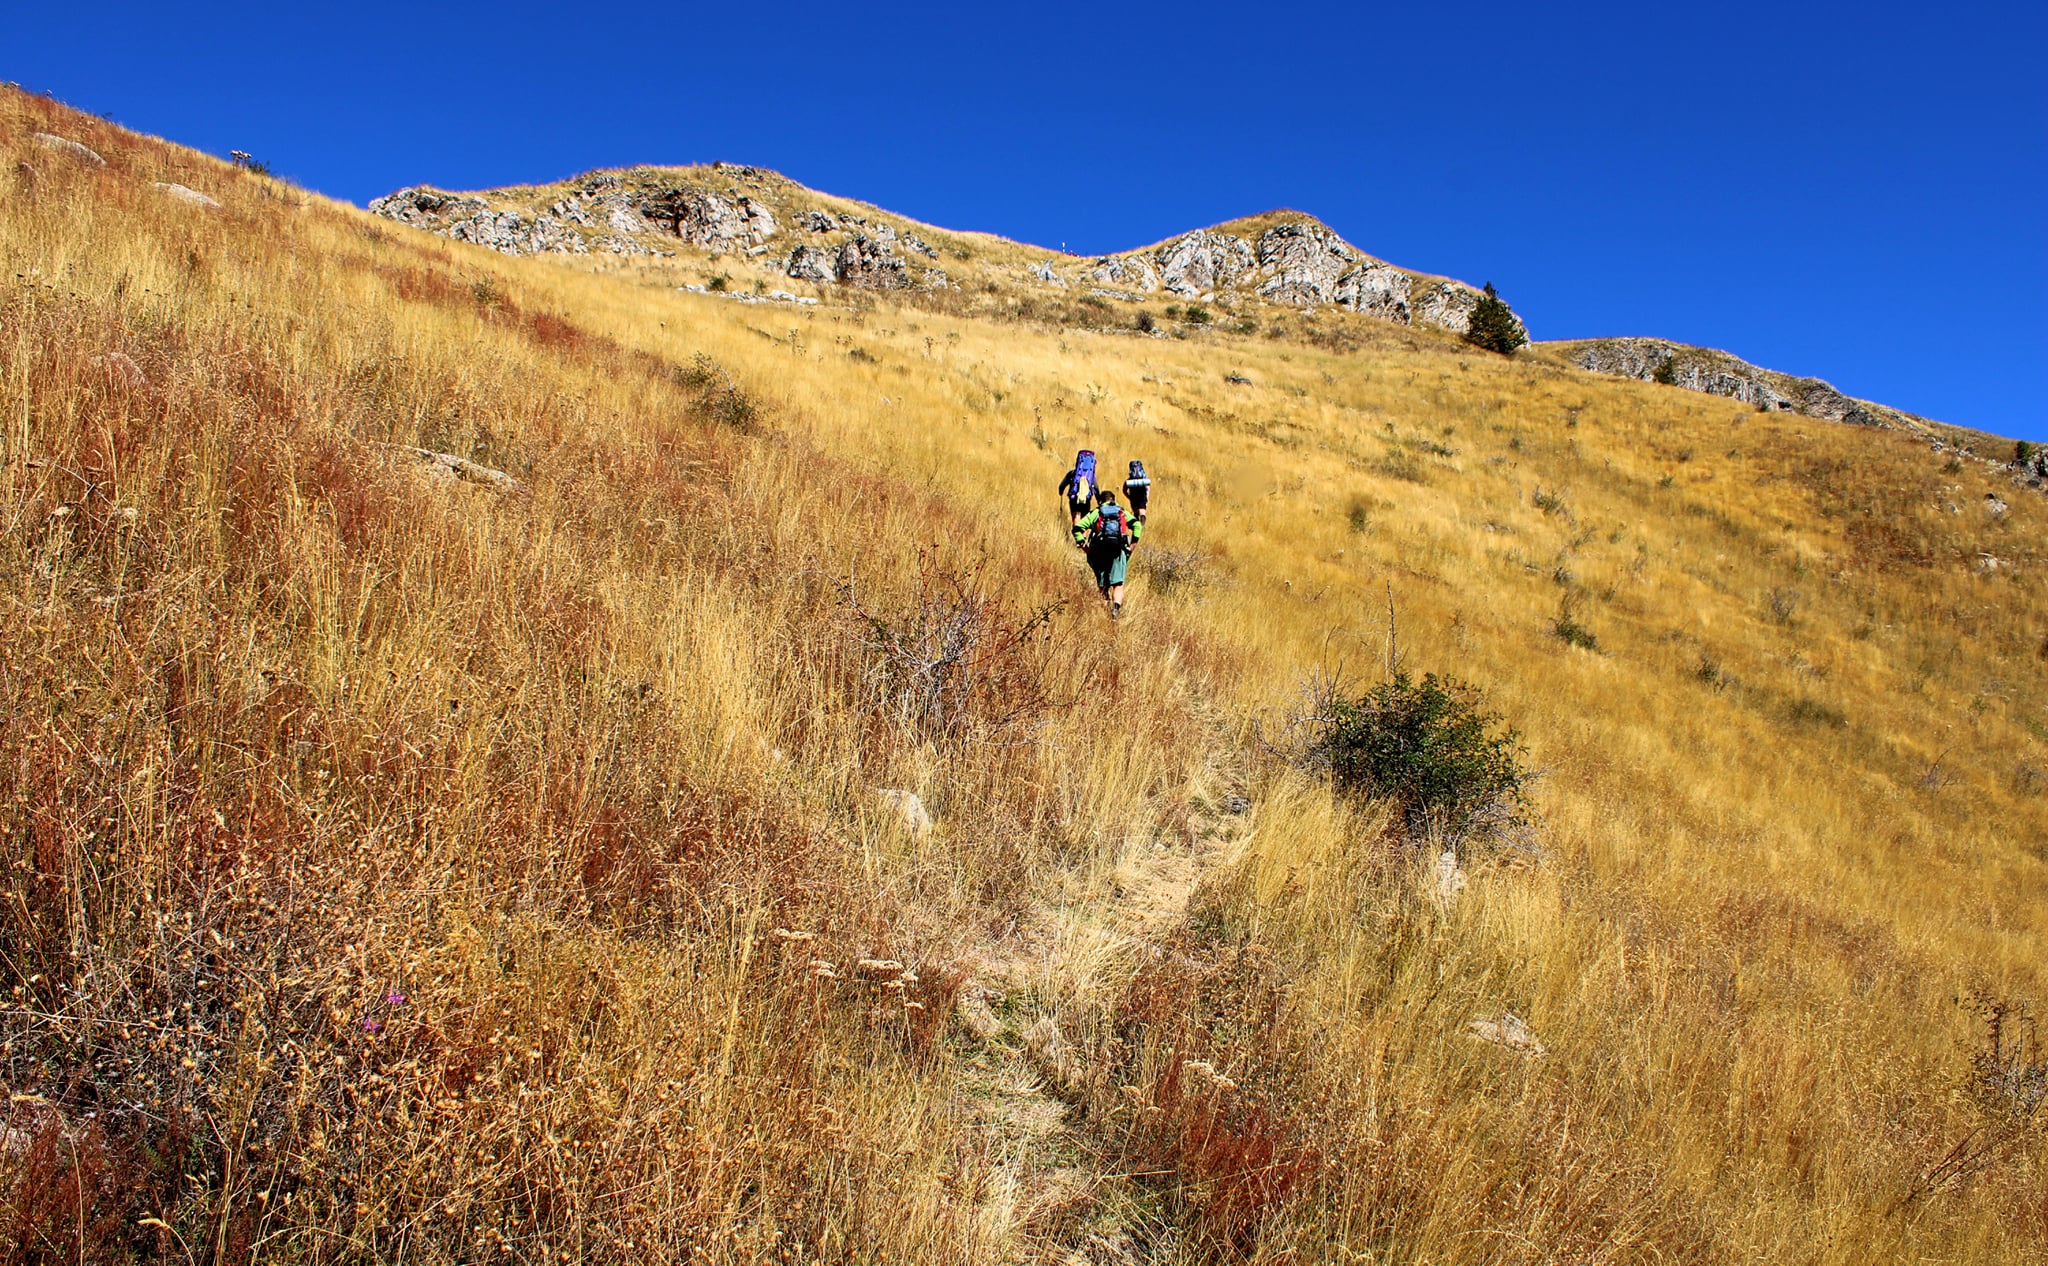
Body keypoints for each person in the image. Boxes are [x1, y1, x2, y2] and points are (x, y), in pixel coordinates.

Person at [1073, 491, 1142, 618]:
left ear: (1100, 501)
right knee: (1118, 584)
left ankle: (1104, 613)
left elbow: (1077, 529)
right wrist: (1132, 546)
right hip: (1118, 551)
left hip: (1099, 552)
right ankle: (1115, 609)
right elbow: (1137, 525)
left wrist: (1085, 547)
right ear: (1114, 500)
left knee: (1103, 586)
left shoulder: (1096, 512)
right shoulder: (1122, 512)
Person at [1057, 459, 1096, 529]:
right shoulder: (1091, 476)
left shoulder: (1072, 473)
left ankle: (1076, 532)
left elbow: (1061, 486)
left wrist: (1061, 492)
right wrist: (1099, 499)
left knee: (1076, 515)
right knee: (1085, 519)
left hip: (1074, 498)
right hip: (1086, 499)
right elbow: (1096, 488)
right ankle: (1083, 534)